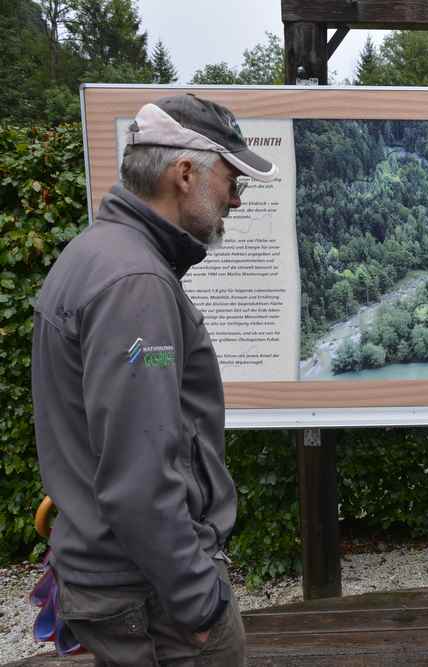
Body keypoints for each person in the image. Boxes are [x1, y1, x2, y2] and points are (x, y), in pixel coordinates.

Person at [31, 94, 277, 665]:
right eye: (230, 179)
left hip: (119, 581)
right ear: (184, 173)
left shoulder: (94, 253)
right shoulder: (136, 283)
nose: (237, 199)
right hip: (152, 597)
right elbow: (140, 478)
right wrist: (202, 603)